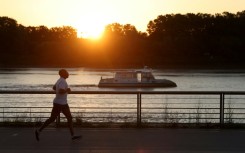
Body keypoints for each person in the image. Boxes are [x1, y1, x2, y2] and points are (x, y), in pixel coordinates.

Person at [35, 69, 81, 141]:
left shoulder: (59, 80)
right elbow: (60, 91)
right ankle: (72, 135)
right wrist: (67, 90)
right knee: (69, 118)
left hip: (58, 102)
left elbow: (54, 87)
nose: (68, 73)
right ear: (63, 74)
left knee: (52, 119)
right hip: (62, 104)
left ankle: (38, 131)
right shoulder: (62, 81)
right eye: (66, 72)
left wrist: (59, 90)